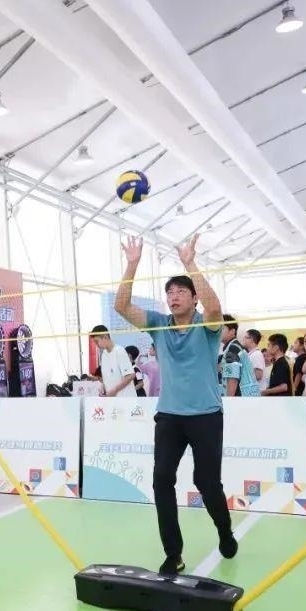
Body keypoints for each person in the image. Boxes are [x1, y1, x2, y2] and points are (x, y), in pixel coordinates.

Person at [115, 235, 237, 576]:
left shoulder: (207, 325)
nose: (174, 296)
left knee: (207, 483)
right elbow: (121, 307)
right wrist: (132, 264)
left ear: (194, 298)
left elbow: (215, 307)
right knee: (161, 479)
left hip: (206, 416)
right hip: (169, 416)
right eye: (170, 292)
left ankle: (225, 531)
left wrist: (189, 263)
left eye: (181, 291)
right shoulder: (158, 324)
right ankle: (174, 553)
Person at [90, 325, 136, 397]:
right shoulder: (104, 355)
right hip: (113, 399)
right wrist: (103, 386)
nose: (96, 345)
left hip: (125, 398)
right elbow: (108, 377)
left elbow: (130, 375)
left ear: (105, 337)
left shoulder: (119, 351)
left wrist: (115, 390)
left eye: (97, 341)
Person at [219, 317, 260, 397]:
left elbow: (232, 378)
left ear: (232, 331)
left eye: (222, 328)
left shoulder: (233, 348)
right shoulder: (233, 347)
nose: (219, 331)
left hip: (242, 398)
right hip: (248, 397)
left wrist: (229, 400)